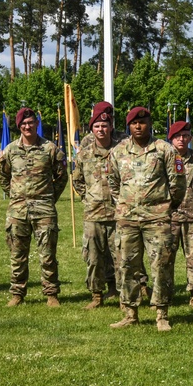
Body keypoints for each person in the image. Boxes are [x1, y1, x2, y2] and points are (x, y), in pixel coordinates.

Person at [108, 107, 185, 330]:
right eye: (134, 123)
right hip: (127, 219)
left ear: (150, 123)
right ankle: (130, 313)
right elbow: (113, 183)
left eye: (143, 122)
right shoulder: (118, 151)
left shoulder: (164, 150)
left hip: (157, 218)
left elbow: (178, 184)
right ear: (128, 126)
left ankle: (161, 314)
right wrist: (124, 203)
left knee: (161, 264)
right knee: (127, 265)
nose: (139, 126)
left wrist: (167, 206)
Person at [0, 107, 69, 307]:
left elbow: (61, 176)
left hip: (44, 209)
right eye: (23, 123)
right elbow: (3, 176)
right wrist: (16, 196)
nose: (27, 126)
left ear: (37, 124)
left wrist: (48, 198)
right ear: (19, 126)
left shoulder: (50, 149)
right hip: (17, 210)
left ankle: (51, 294)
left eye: (31, 122)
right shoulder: (10, 151)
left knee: (48, 254)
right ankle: (17, 294)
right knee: (17, 255)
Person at [71, 102, 124, 309]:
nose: (101, 129)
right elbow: (77, 181)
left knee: (121, 257)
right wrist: (89, 198)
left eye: (104, 126)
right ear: (92, 129)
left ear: (110, 127)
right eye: (97, 126)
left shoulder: (121, 151)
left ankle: (122, 295)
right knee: (93, 257)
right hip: (93, 214)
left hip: (118, 212)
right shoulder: (84, 153)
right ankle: (96, 295)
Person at [167, 120, 193, 309]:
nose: (181, 140)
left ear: (190, 138)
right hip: (169, 217)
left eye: (185, 136)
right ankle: (164, 294)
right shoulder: (164, 159)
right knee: (165, 257)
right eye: (177, 136)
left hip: (192, 218)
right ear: (171, 139)